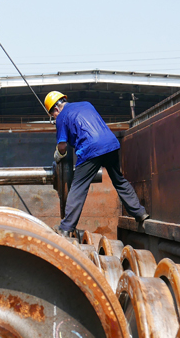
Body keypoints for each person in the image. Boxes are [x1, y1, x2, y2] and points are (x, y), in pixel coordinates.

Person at [45, 90, 149, 237]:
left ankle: (66, 228)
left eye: (52, 115)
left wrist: (59, 155)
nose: (54, 118)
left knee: (78, 189)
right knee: (119, 180)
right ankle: (140, 213)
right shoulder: (87, 104)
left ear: (56, 109)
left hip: (90, 149)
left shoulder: (61, 116)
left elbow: (62, 146)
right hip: (111, 144)